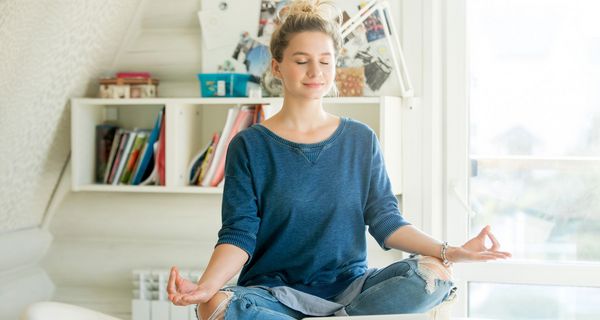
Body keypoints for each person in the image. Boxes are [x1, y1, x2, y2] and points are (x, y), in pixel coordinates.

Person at [168, 1, 511, 319]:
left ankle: (341, 317)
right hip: (273, 294)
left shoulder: (361, 139)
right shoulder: (249, 145)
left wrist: (450, 250)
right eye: (301, 61)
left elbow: (386, 222)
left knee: (434, 273)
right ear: (277, 67)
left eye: (325, 60)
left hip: (351, 291)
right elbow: (239, 234)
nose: (315, 70)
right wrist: (206, 287)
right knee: (213, 306)